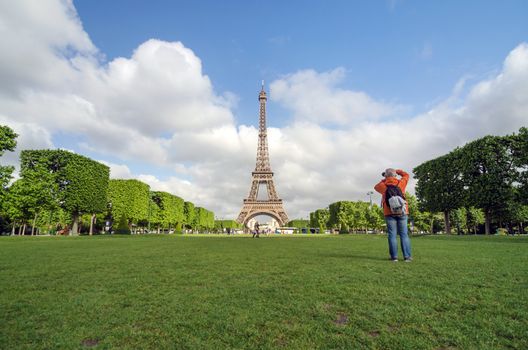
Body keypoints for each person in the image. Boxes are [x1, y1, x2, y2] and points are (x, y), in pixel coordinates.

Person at [374, 168, 412, 262]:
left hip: (389, 212)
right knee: (404, 235)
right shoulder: (401, 183)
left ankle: (394, 257)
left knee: (392, 235)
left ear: (386, 176)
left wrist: (385, 178)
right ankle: (407, 257)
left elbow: (376, 187)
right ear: (395, 175)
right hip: (402, 211)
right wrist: (397, 171)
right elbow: (406, 175)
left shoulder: (383, 185)